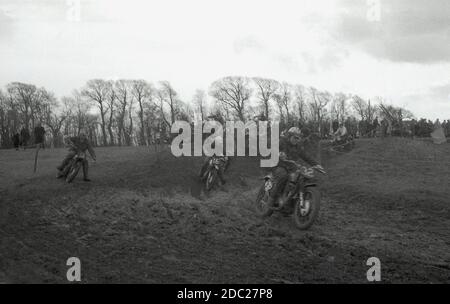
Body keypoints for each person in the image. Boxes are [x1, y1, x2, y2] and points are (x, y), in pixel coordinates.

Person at [266, 128, 324, 209]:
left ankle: (288, 200)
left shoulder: (298, 147)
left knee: (297, 179)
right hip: (278, 164)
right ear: (289, 136)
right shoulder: (282, 142)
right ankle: (270, 200)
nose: (296, 140)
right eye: (295, 137)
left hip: (290, 166)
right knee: (283, 176)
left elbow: (306, 156)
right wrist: (279, 153)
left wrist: (316, 164)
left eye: (298, 138)